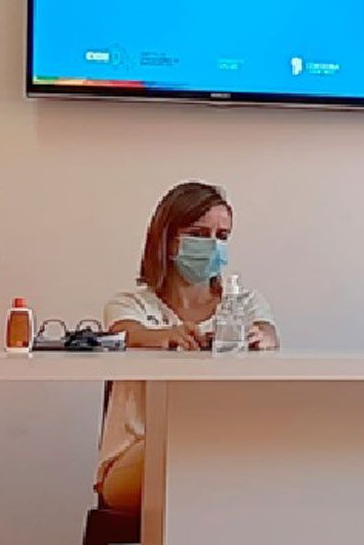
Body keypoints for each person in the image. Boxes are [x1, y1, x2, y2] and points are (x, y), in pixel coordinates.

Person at [94, 181, 278, 514]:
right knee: (209, 444)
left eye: (222, 236)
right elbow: (126, 332)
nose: (213, 245)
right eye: (198, 234)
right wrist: (167, 336)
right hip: (135, 462)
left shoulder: (245, 304)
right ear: (166, 240)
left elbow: (266, 332)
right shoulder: (130, 304)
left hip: (218, 459)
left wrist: (261, 338)